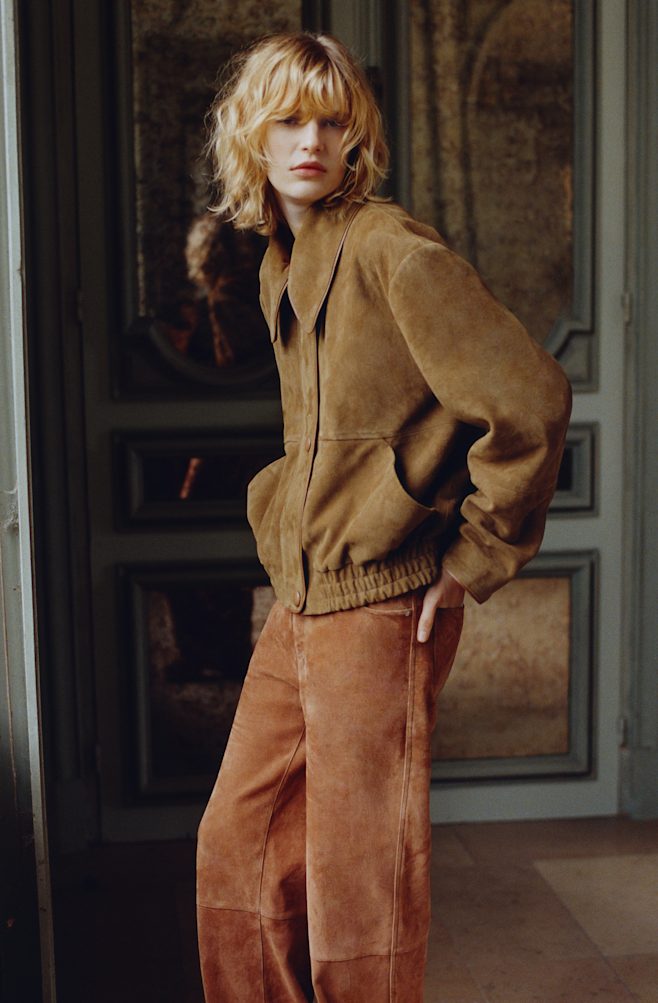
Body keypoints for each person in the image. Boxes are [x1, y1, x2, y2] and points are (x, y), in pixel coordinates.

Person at [196, 31, 572, 1003]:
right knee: (237, 847)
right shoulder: (281, 261)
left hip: (381, 603)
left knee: (360, 888)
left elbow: (528, 398)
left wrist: (473, 556)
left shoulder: (388, 248)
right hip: (304, 595)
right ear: (252, 132)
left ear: (355, 135)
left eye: (331, 121)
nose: (310, 141)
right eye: (288, 119)